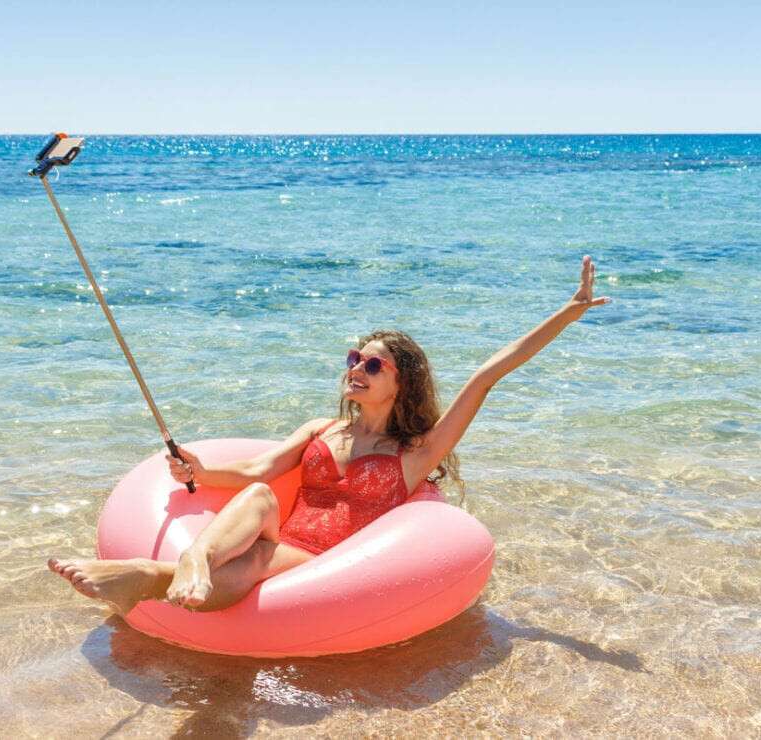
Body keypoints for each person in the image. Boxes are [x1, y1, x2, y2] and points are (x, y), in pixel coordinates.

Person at [48, 255, 611, 615]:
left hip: (326, 566)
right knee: (262, 500)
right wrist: (195, 468)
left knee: (255, 564)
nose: (356, 370)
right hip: (276, 539)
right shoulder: (323, 430)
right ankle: (192, 560)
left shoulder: (415, 453)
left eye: (373, 365)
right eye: (353, 359)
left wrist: (568, 311)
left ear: (401, 384)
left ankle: (147, 577)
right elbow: (253, 473)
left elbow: (487, 376)